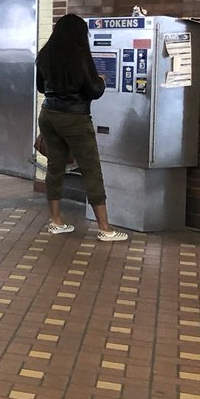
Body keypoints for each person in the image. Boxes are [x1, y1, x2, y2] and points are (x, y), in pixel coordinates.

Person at [36, 13, 128, 242]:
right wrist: (102, 81)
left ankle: (56, 221)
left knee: (55, 168)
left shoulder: (45, 54)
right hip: (75, 119)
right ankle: (105, 229)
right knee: (91, 171)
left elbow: (40, 87)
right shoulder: (80, 57)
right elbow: (93, 91)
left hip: (49, 115)